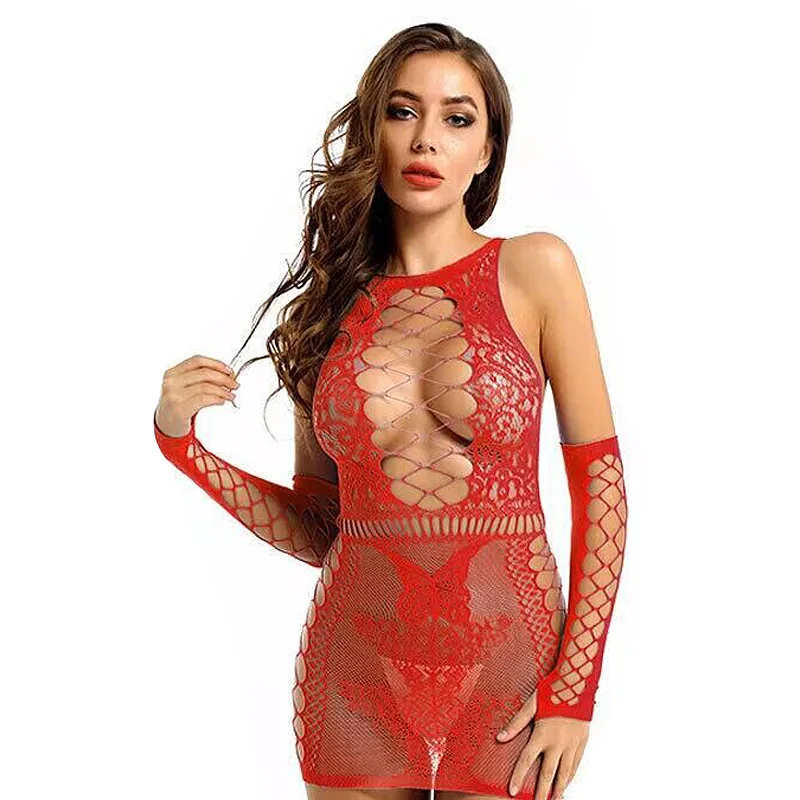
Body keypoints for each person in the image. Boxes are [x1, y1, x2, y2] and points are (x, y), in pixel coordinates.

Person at [154, 22, 628, 800]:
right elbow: (321, 528)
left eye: (457, 118)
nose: (426, 138)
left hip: (512, 671)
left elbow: (602, 489)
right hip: (353, 674)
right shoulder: (323, 313)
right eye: (403, 111)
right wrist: (183, 446)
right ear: (373, 130)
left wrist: (574, 692)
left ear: (487, 150)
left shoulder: (536, 268)